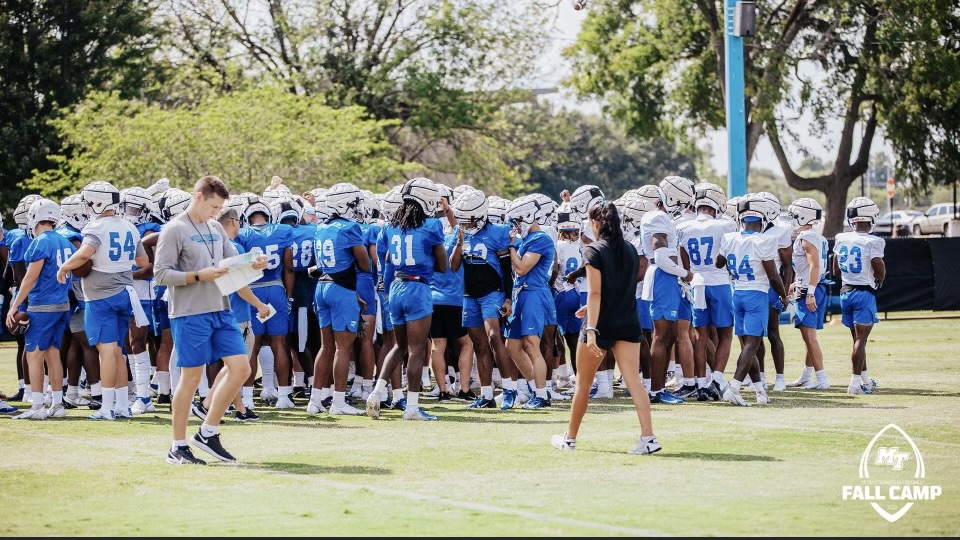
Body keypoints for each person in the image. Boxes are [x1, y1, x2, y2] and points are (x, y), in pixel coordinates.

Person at [154, 176, 270, 465]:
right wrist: (197, 276)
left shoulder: (216, 227)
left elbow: (233, 263)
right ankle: (177, 446)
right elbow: (161, 275)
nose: (216, 212)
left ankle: (207, 433)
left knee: (241, 368)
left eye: (220, 208)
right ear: (198, 196)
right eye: (213, 206)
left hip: (221, 309)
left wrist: (254, 263)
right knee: (191, 378)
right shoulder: (174, 229)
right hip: (189, 312)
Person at [551, 202, 660, 455]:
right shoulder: (631, 250)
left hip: (601, 326)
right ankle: (648, 437)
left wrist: (590, 328)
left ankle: (570, 438)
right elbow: (618, 289)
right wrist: (589, 310)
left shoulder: (593, 250)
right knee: (634, 382)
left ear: (596, 223)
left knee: (583, 384)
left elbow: (596, 293)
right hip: (627, 320)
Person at [57, 182, 149, 420]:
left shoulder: (96, 226)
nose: (87, 208)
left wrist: (65, 266)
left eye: (89, 202)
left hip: (101, 296)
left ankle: (107, 407)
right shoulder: (130, 226)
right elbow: (143, 261)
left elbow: (85, 253)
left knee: (106, 353)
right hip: (126, 293)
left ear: (98, 202)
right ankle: (121, 405)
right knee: (117, 351)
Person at [367, 177, 447, 420]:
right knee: (416, 350)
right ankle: (412, 408)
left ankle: (377, 392)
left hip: (396, 287)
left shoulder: (390, 227)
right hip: (418, 288)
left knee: (398, 346)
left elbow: (386, 259)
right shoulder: (432, 226)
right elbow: (443, 267)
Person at [715, 193, 788, 406]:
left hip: (737, 293)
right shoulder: (764, 240)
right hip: (756, 294)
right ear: (762, 220)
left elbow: (719, 263)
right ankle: (735, 387)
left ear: (741, 220)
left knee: (748, 345)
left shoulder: (730, 238)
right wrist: (784, 295)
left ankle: (759, 391)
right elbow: (773, 275)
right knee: (752, 345)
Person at [8, 199, 76, 419]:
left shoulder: (40, 242)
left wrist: (15, 305)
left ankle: (37, 405)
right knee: (53, 353)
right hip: (62, 304)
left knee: (34, 354)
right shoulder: (66, 241)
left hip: (42, 305)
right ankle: (57, 403)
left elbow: (29, 278)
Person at [306, 183, 369, 416]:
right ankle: (339, 401)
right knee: (344, 348)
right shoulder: (350, 228)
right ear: (343, 204)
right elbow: (364, 264)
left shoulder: (321, 228)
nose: (356, 208)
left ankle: (314, 401)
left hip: (322, 287)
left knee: (326, 346)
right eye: (353, 204)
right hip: (340, 290)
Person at [450, 189, 516, 409]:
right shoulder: (460, 234)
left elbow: (507, 270)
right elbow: (453, 265)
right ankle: (486, 395)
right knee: (479, 344)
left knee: (494, 337)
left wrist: (508, 298)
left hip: (492, 292)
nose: (465, 224)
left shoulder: (498, 232)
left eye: (468, 220)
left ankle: (509, 389)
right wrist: (459, 243)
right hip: (469, 295)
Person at [639, 176, 695, 404]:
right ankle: (654, 390)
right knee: (662, 336)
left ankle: (659, 388)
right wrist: (685, 274)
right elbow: (661, 256)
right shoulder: (658, 217)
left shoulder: (659, 217)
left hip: (666, 277)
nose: (682, 209)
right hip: (663, 276)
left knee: (669, 335)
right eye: (681, 203)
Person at [677, 183, 735, 401]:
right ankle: (717, 380)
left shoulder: (683, 227)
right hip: (719, 282)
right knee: (725, 335)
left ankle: (701, 384)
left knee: (701, 337)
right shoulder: (725, 225)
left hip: (697, 283)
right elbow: (727, 258)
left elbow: (685, 267)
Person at [505, 195, 556, 409]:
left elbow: (521, 268)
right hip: (521, 294)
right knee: (512, 346)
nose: (514, 227)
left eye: (517, 221)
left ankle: (542, 395)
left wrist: (510, 246)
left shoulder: (541, 239)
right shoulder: (526, 240)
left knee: (531, 345)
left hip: (534, 293)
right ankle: (536, 390)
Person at [833, 197, 885, 395]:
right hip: (864, 293)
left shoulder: (841, 238)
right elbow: (879, 268)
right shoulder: (874, 241)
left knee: (857, 340)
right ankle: (854, 384)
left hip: (846, 292)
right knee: (861, 341)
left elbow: (835, 270)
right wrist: (879, 279)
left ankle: (865, 380)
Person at [785, 198, 831, 390]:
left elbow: (815, 266)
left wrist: (809, 291)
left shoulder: (807, 238)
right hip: (813, 286)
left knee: (809, 336)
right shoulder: (817, 237)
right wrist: (798, 281)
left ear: (804, 216)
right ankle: (807, 375)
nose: (792, 219)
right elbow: (812, 268)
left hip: (810, 290)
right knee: (808, 336)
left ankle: (821, 379)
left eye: (795, 215)